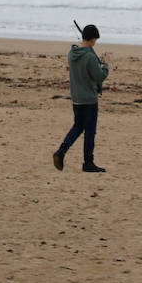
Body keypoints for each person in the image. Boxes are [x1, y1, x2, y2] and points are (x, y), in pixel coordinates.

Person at [52, 24, 111, 173]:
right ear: (91, 39)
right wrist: (105, 64)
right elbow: (99, 76)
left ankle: (61, 152)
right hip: (89, 99)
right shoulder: (90, 56)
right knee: (90, 131)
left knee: (78, 127)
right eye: (95, 40)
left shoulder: (72, 53)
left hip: (76, 97)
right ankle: (88, 163)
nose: (95, 43)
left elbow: (86, 67)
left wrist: (96, 59)